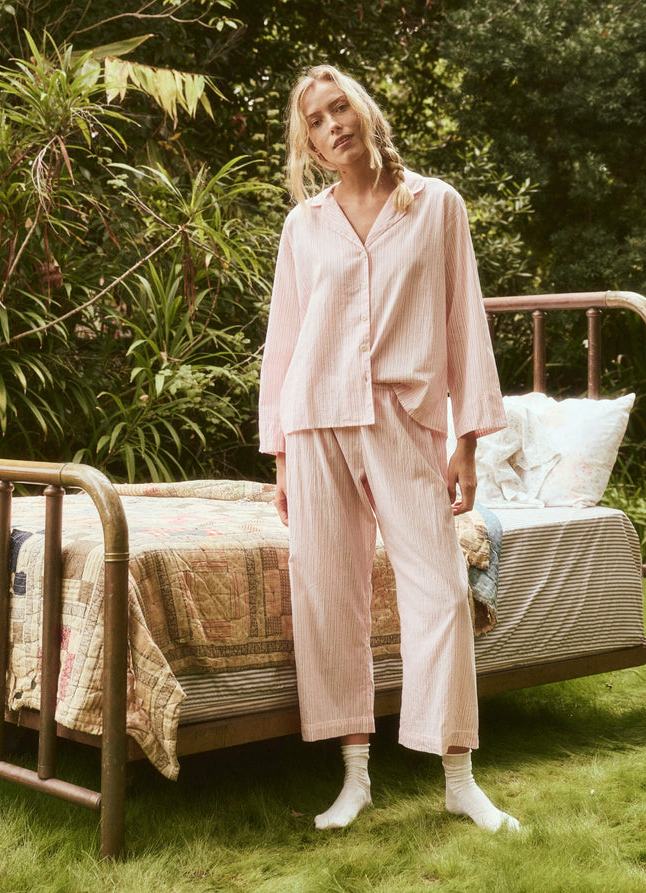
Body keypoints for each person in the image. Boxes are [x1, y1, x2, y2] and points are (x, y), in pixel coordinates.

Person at [258, 64, 520, 833]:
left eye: (339, 107)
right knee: (328, 594)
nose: (332, 124)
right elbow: (283, 343)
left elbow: (464, 324)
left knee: (439, 590)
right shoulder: (304, 226)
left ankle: (459, 779)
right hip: (315, 422)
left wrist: (466, 443)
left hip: (405, 421)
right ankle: (355, 778)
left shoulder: (437, 205)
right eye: (315, 120)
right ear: (309, 143)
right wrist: (281, 458)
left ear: (364, 111)